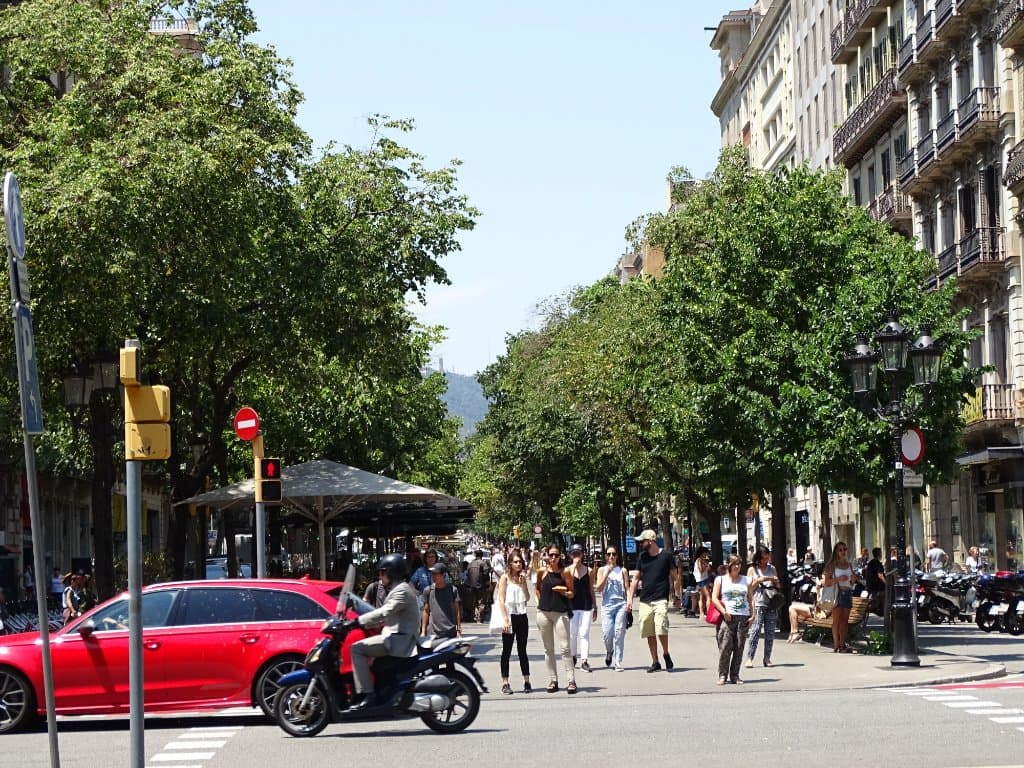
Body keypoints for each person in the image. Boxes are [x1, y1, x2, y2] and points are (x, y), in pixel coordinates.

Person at [345, 553, 421, 712]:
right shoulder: (398, 589)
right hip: (393, 635)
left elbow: (385, 612)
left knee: (356, 648)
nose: (380, 577)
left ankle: (367, 695)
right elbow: (385, 615)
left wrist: (357, 622)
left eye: (382, 573)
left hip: (400, 640)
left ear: (392, 573)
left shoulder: (402, 591)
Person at [626, 529, 678, 673]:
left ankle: (666, 653)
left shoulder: (666, 556)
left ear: (651, 541)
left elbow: (675, 577)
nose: (640, 543)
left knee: (661, 626)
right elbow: (635, 578)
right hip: (645, 599)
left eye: (642, 541)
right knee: (648, 630)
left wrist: (678, 595)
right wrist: (629, 599)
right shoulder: (642, 557)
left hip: (661, 598)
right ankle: (655, 661)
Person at [534, 544, 577, 694]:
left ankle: (571, 680)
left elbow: (572, 593)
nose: (553, 558)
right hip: (544, 613)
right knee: (548, 649)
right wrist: (540, 602)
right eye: (550, 555)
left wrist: (564, 592)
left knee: (565, 647)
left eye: (556, 555)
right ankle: (553, 680)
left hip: (560, 612)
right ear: (546, 555)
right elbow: (538, 588)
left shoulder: (565, 572)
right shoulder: (542, 571)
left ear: (560, 556)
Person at [711, 555, 753, 685]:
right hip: (727, 617)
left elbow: (751, 598)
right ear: (728, 565)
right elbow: (714, 598)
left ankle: (735, 675)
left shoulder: (746, 580)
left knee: (739, 647)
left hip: (743, 616)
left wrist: (753, 615)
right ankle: (722, 674)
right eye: (734, 564)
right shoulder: (721, 580)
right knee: (725, 646)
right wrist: (724, 612)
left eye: (739, 564)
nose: (737, 566)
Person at [496, 552, 532, 694]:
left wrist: (523, 584)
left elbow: (527, 598)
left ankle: (527, 681)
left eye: (520, 562)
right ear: (510, 563)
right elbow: (501, 599)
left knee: (522, 650)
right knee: (507, 651)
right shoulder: (505, 578)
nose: (518, 564)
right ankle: (505, 682)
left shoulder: (522, 578)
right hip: (510, 617)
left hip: (522, 616)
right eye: (515, 562)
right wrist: (505, 619)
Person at [745, 544, 779, 668]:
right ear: (758, 558)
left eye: (767, 558)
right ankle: (749, 657)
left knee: (770, 632)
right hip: (757, 602)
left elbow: (777, 586)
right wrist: (759, 580)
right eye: (763, 558)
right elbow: (748, 589)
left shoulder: (772, 568)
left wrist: (775, 581)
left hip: (771, 603)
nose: (766, 561)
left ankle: (767, 658)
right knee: (755, 630)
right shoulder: (752, 570)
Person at [595, 545, 628, 671]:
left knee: (619, 633)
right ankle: (609, 650)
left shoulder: (622, 570)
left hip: (620, 604)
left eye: (613, 554)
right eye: (608, 554)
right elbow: (598, 588)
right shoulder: (602, 570)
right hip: (607, 605)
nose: (611, 557)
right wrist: (607, 573)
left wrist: (629, 601)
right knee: (607, 634)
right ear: (605, 556)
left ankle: (618, 661)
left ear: (617, 556)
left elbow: (627, 587)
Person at [566, 544, 596, 671]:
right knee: (572, 634)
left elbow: (591, 589)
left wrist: (595, 606)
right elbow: (567, 587)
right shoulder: (567, 571)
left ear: (582, 554)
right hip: (572, 606)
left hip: (586, 606)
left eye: (578, 553)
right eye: (574, 554)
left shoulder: (589, 571)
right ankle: (573, 656)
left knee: (584, 633)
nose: (576, 556)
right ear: (571, 555)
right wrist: (573, 568)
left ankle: (584, 660)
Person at [822, 541, 855, 653]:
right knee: (837, 620)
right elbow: (826, 582)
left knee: (845, 621)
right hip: (837, 593)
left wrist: (853, 580)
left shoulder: (849, 565)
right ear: (836, 551)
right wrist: (838, 579)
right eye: (840, 550)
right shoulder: (831, 565)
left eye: (844, 549)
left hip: (847, 592)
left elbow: (851, 581)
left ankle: (842, 644)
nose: (843, 552)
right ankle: (836, 645)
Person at [421, 562, 461, 639]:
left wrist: (458, 629)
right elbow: (426, 611)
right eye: (432, 574)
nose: (433, 576)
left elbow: (457, 611)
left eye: (436, 574)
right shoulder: (428, 590)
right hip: (433, 633)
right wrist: (423, 631)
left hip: (450, 633)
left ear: (443, 575)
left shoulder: (453, 590)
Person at [465, 550, 491, 622]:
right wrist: (487, 583)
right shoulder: (483, 563)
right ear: (481, 555)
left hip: (471, 585)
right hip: (480, 585)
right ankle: (479, 617)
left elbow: (467, 574)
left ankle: (476, 616)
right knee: (481, 602)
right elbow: (486, 573)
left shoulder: (470, 563)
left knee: (475, 602)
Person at [693, 547, 713, 619]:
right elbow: (701, 570)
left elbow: (707, 572)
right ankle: (708, 613)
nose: (706, 554)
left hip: (702, 579)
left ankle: (702, 613)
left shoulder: (703, 560)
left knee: (702, 597)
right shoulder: (699, 560)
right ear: (702, 553)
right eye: (705, 553)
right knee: (708, 597)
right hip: (702, 580)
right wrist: (706, 566)